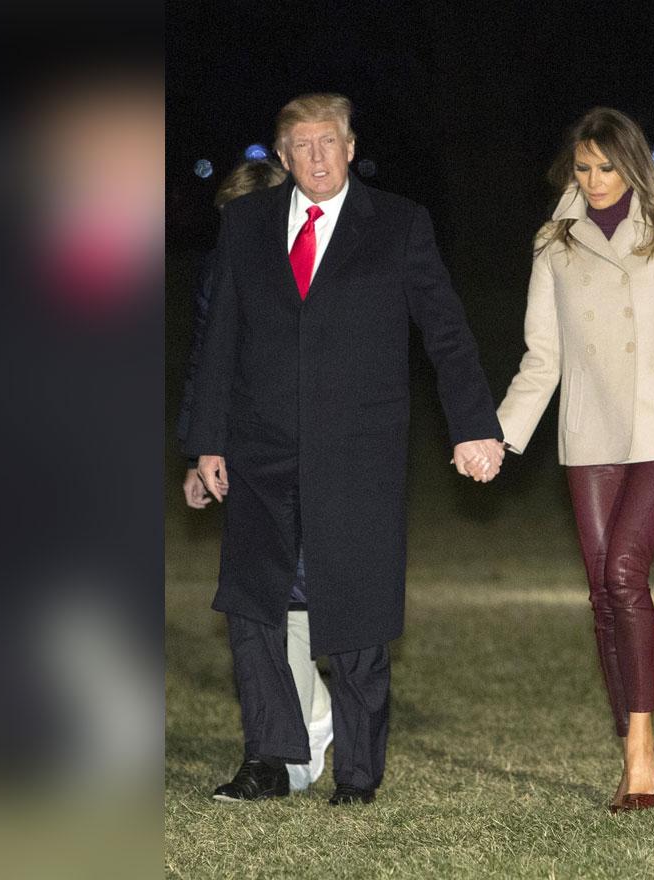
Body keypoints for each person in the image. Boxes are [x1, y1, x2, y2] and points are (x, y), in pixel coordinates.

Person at [184, 93, 504, 806]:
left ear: (351, 148)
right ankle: (270, 759)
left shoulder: (396, 225)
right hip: (257, 447)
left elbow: (445, 333)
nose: (317, 156)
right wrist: (206, 441)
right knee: (254, 606)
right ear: (283, 154)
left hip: (357, 451)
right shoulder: (246, 225)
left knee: (355, 611)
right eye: (301, 144)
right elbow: (220, 341)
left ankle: (358, 774)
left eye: (329, 141)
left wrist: (474, 423)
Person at [495, 107, 654, 812]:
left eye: (606, 166)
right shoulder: (554, 242)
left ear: (631, 164)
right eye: (582, 167)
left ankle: (638, 750)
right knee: (603, 589)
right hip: (591, 433)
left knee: (626, 569)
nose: (594, 181)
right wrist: (499, 436)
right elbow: (544, 356)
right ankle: (632, 731)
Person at [178, 158, 334, 793]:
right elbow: (207, 362)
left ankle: (306, 730)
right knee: (266, 594)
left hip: (316, 453)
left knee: (293, 589)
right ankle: (299, 733)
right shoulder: (228, 270)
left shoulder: (322, 265)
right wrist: (201, 450)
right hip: (250, 454)